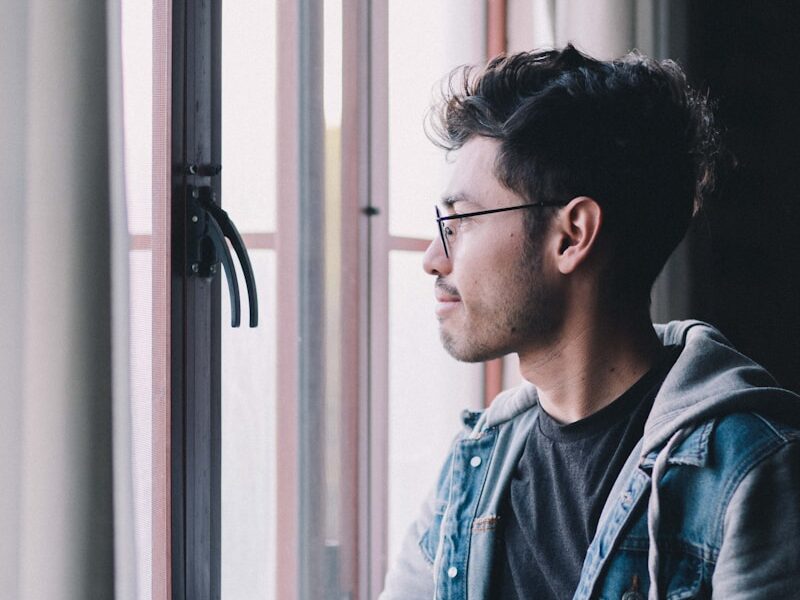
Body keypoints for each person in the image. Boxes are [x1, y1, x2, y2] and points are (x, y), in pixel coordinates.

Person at [380, 45, 800, 600]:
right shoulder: (474, 470)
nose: (434, 256)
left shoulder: (749, 473)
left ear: (573, 234)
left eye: (459, 221)